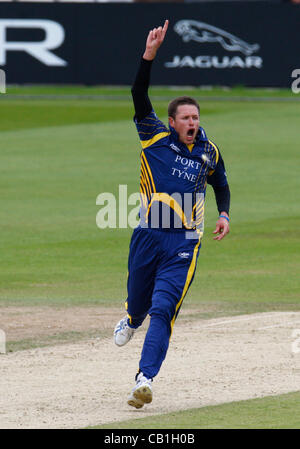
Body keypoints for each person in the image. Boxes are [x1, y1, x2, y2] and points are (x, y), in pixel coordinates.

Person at [114, 20, 230, 409]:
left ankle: (143, 379)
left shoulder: (208, 151)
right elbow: (137, 91)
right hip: (148, 233)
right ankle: (131, 318)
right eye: (186, 118)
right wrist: (149, 54)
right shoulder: (153, 136)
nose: (193, 123)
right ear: (173, 121)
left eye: (196, 118)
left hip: (184, 242)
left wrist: (225, 213)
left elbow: (221, 183)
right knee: (140, 303)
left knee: (164, 309)